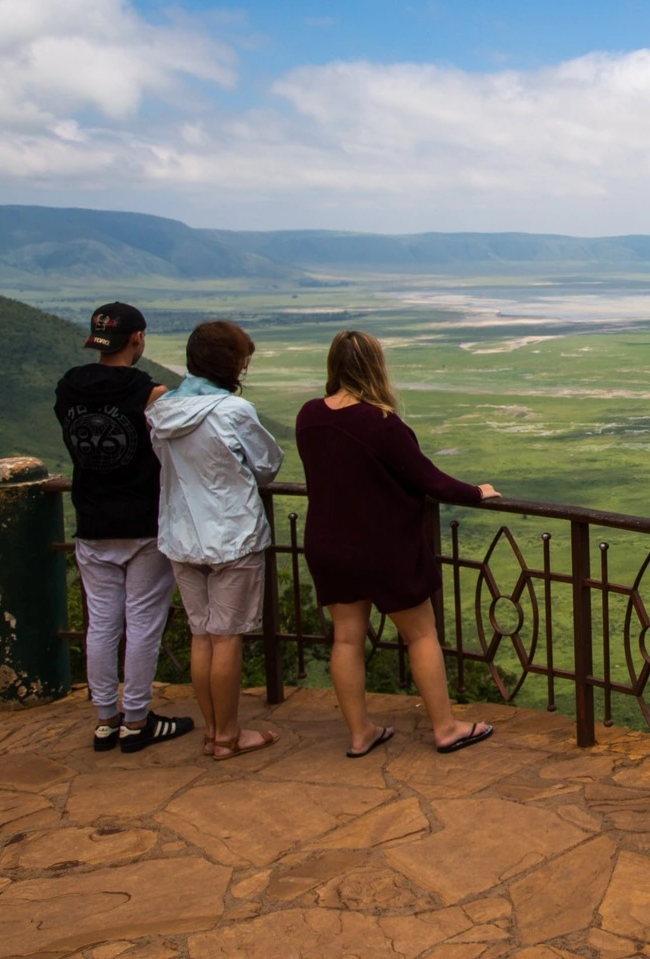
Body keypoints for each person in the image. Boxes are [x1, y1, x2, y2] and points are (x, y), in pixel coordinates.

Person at [294, 330, 500, 757]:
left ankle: (359, 733)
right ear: (375, 366)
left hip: (328, 544)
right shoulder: (382, 422)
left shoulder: (308, 416)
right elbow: (427, 478)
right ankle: (445, 727)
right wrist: (475, 492)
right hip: (382, 547)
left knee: (347, 639)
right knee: (421, 635)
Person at [53, 302, 195, 754]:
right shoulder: (151, 393)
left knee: (102, 624)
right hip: (143, 522)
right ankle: (136, 721)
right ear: (138, 338)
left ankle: (104, 721)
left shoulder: (68, 389)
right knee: (143, 624)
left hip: (92, 521)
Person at [148, 321, 284, 761]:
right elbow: (266, 466)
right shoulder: (233, 411)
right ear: (232, 363)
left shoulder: (162, 410)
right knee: (227, 638)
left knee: (201, 636)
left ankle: (211, 732)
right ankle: (228, 735)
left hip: (181, 535)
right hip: (232, 535)